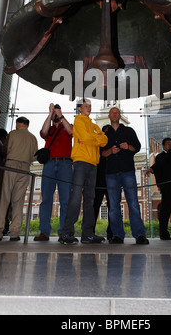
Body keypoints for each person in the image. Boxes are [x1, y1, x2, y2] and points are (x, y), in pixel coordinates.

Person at [61, 98, 108, 244]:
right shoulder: (79, 121)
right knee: (75, 197)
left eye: (90, 106)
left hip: (94, 164)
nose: (89, 108)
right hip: (81, 162)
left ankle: (87, 234)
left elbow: (105, 140)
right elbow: (88, 138)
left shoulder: (94, 125)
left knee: (90, 199)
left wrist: (92, 138)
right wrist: (95, 139)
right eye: (86, 106)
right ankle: (66, 233)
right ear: (79, 108)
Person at [101, 107, 149, 245]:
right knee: (114, 206)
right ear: (109, 115)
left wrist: (128, 147)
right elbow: (101, 154)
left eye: (117, 112)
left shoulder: (129, 131)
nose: (115, 114)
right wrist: (110, 150)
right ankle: (117, 235)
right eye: (112, 112)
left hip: (128, 171)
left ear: (120, 115)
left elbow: (137, 148)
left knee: (133, 203)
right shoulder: (104, 134)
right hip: (110, 173)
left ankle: (140, 235)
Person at [0, 117, 38, 241]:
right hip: (25, 168)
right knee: (18, 202)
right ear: (27, 125)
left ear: (18, 124)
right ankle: (15, 233)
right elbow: (34, 157)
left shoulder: (12, 134)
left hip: (11, 166)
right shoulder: (33, 138)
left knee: (4, 199)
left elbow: (5, 150)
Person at [34, 103, 73, 242]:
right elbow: (43, 133)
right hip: (50, 163)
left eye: (57, 112)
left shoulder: (67, 125)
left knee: (65, 200)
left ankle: (64, 232)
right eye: (54, 113)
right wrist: (50, 114)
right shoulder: (49, 128)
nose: (56, 114)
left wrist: (61, 115)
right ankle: (44, 231)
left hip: (65, 163)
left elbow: (71, 132)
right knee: (46, 199)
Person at [146, 137, 171, 240]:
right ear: (163, 146)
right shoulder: (160, 156)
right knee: (165, 211)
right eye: (167, 144)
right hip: (166, 188)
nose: (170, 146)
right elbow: (158, 170)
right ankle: (164, 234)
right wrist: (160, 185)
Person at [93, 125, 113, 241]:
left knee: (112, 206)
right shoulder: (99, 144)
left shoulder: (105, 145)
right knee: (96, 206)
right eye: (105, 132)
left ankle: (111, 232)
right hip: (99, 179)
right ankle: (91, 231)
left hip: (107, 178)